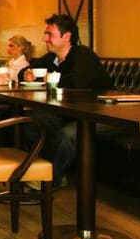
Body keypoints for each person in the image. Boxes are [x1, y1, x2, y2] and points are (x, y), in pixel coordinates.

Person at [19, 14, 113, 188]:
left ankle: (52, 180)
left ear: (67, 36)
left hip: (100, 115)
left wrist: (48, 77)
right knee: (30, 123)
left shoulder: (83, 55)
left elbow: (77, 83)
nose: (44, 38)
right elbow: (24, 71)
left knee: (68, 134)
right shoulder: (52, 58)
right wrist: (27, 74)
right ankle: (40, 170)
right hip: (69, 113)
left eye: (49, 34)